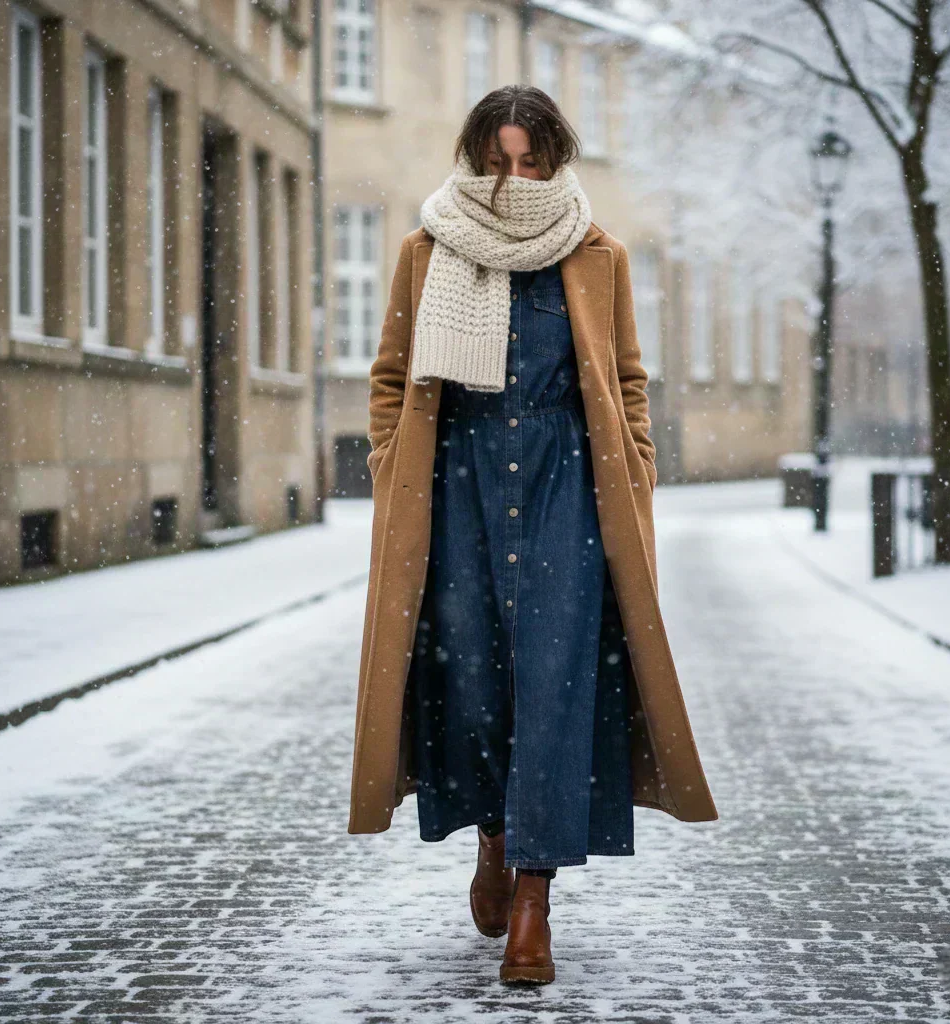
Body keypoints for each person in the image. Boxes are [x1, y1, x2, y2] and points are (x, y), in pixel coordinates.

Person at [349, 85, 718, 986]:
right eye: (498, 160)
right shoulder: (426, 250)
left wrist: (634, 467)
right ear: (474, 157)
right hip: (457, 488)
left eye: (530, 160)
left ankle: (533, 903)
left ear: (556, 158)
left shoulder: (597, 257)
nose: (513, 178)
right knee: (470, 680)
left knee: (556, 691)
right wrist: (391, 461)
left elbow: (626, 380)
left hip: (569, 490)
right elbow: (392, 375)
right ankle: (494, 835)